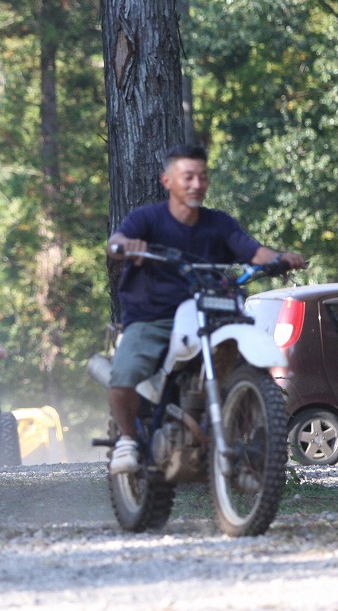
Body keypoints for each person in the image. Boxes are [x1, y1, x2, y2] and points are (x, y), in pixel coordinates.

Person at [104, 143, 307, 475]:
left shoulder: (219, 223)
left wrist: (279, 258)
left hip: (211, 313)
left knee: (250, 364)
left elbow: (252, 251)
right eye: (188, 177)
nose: (196, 184)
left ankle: (241, 437)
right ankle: (127, 440)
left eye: (202, 177)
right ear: (168, 180)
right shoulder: (147, 219)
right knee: (124, 374)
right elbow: (116, 244)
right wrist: (126, 246)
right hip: (155, 318)